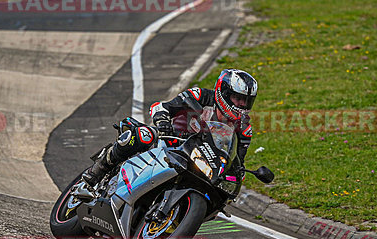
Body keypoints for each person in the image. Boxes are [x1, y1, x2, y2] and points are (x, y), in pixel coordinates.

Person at [81, 69, 258, 187]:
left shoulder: (243, 129)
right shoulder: (201, 96)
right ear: (224, 93)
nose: (242, 105)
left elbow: (237, 162)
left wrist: (236, 175)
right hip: (169, 140)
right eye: (238, 98)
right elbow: (161, 107)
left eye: (246, 101)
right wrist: (163, 122)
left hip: (198, 159)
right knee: (144, 135)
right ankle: (98, 170)